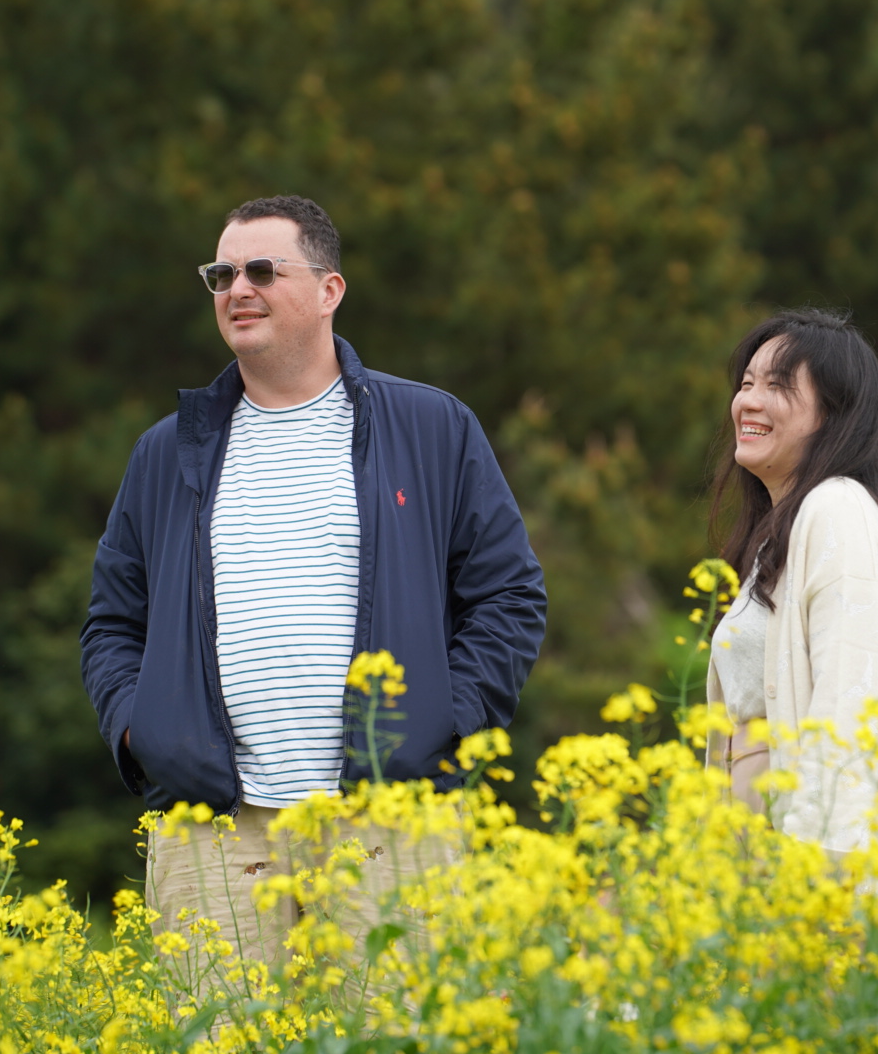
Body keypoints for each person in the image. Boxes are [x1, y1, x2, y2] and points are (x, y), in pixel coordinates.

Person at [79, 195, 546, 962]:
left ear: (330, 291)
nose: (238, 288)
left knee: (391, 1026)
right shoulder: (167, 452)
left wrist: (446, 722)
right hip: (213, 827)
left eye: (263, 270)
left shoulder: (432, 427)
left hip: (390, 814)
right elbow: (112, 623)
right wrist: (143, 732)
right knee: (220, 1027)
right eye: (222, 274)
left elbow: (508, 596)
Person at [705, 308, 878, 866]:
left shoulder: (836, 509)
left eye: (778, 386)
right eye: (746, 384)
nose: (749, 402)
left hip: (801, 851)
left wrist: (814, 868)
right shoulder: (778, 534)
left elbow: (848, 703)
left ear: (834, 415)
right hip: (753, 840)